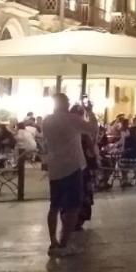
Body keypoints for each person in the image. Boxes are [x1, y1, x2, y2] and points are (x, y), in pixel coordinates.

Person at [42, 93, 98, 257]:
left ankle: (53, 242)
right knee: (73, 207)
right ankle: (64, 244)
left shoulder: (47, 121)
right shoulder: (71, 119)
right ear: (64, 103)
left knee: (54, 206)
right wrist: (90, 111)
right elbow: (93, 128)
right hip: (72, 167)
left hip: (55, 168)